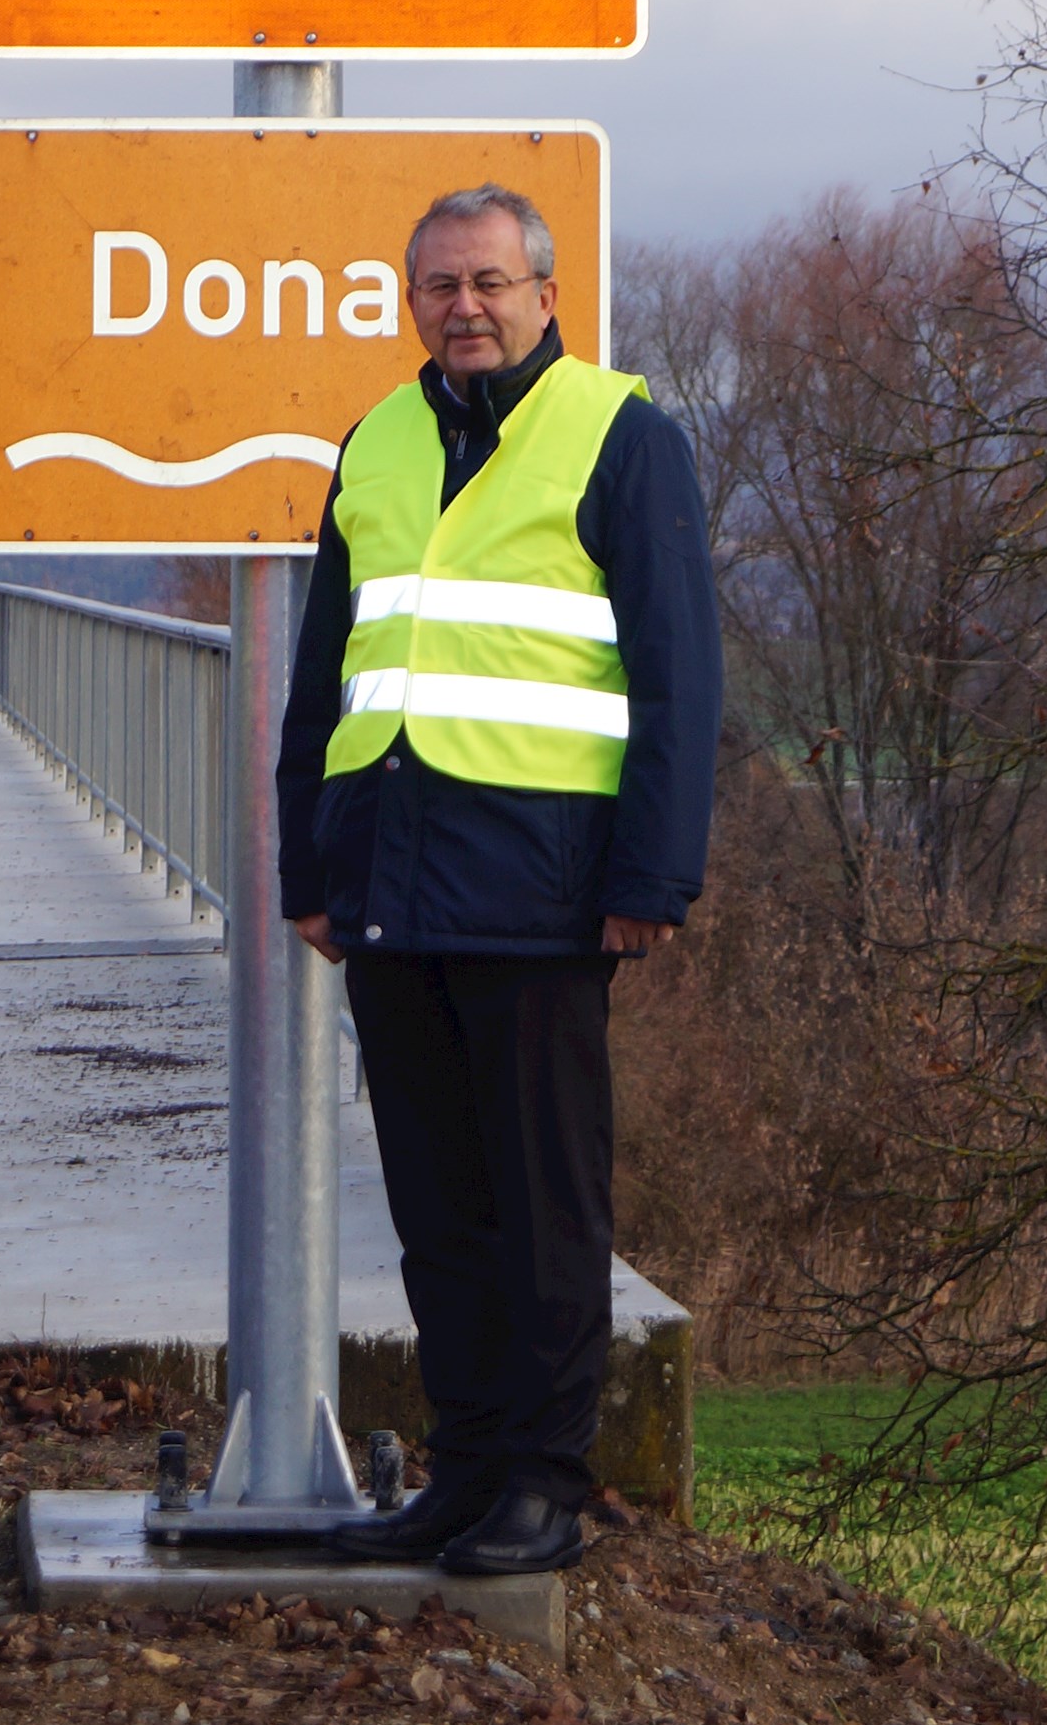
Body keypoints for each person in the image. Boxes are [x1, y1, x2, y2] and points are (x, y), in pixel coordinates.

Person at [276, 184, 720, 1580]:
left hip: (543, 887)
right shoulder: (379, 441)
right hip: (391, 884)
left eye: (487, 283)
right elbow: (323, 673)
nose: (462, 308)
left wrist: (654, 872)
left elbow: (679, 671)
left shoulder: (621, 437)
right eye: (437, 288)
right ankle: (467, 1470)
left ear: (542, 293)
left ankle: (544, 1479)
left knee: (545, 1207)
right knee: (438, 1205)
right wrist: (309, 862)